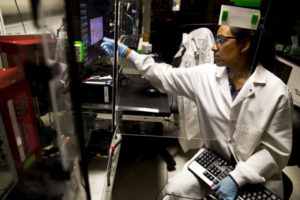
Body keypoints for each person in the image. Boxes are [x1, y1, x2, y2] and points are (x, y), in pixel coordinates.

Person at [100, 25, 293, 200]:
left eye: (221, 40)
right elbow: (165, 75)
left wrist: (237, 178)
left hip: (257, 175)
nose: (213, 47)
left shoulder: (275, 91)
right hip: (214, 160)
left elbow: (275, 151)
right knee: (173, 191)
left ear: (244, 46)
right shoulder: (206, 76)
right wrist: (129, 53)